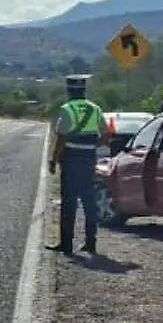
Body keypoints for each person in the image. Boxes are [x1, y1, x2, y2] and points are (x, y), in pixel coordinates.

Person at [47, 74, 109, 256]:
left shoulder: (67, 109)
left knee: (69, 203)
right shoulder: (95, 109)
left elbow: (61, 138)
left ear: (69, 91)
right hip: (89, 160)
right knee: (89, 202)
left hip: (71, 161)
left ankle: (66, 245)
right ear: (84, 91)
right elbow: (106, 136)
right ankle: (91, 243)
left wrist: (53, 159)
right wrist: (91, 145)